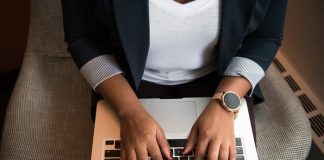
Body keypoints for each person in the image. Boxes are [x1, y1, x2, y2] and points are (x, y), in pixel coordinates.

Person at [62, 0, 287, 159]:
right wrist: (130, 112)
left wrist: (224, 105)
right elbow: (83, 38)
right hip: (127, 79)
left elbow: (265, 37)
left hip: (220, 79)